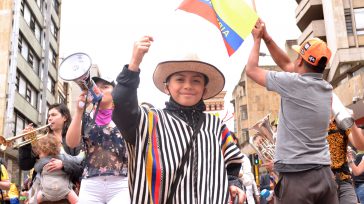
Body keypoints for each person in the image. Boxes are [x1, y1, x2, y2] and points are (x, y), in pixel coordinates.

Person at [112, 36, 246, 204]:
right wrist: (133, 65)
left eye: (196, 80)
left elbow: (232, 163)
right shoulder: (149, 121)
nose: (188, 85)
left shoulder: (217, 127)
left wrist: (233, 182)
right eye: (180, 79)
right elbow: (121, 107)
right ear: (167, 87)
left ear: (204, 90)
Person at [246, 19, 338, 203]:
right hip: (325, 175)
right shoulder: (326, 89)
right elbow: (288, 66)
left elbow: (251, 70)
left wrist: (256, 39)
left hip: (298, 179)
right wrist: (267, 38)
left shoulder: (293, 83)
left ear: (300, 61)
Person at [66, 76, 129, 204]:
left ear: (115, 92)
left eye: (105, 87)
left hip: (121, 183)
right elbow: (71, 143)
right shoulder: (86, 118)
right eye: (96, 87)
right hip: (91, 184)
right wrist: (79, 111)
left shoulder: (124, 117)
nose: (99, 90)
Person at [18, 103, 83, 204]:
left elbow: (82, 168)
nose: (49, 118)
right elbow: (25, 165)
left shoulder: (74, 139)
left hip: (66, 193)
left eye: (53, 115)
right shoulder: (42, 140)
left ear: (65, 117)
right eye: (48, 116)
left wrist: (63, 165)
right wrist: (26, 143)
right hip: (43, 192)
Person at [29, 134, 81, 204]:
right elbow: (76, 160)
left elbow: (36, 168)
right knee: (77, 201)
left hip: (46, 192)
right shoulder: (62, 157)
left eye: (40, 153)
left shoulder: (41, 162)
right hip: (65, 190)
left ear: (44, 150)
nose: (39, 155)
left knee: (33, 200)